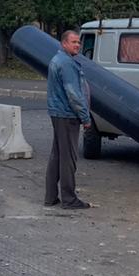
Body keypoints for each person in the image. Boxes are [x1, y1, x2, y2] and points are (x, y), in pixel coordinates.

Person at [45, 29, 91, 210]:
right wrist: (85, 117)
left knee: (57, 155)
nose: (78, 45)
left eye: (79, 42)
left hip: (58, 114)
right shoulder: (66, 63)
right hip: (67, 115)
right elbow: (74, 94)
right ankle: (69, 199)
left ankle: (50, 197)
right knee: (68, 158)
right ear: (64, 43)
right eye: (74, 42)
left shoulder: (58, 59)